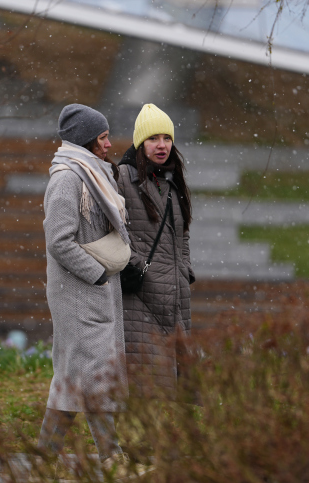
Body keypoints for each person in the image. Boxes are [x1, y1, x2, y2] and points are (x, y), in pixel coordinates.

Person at [38, 103, 132, 473]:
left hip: (91, 293)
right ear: (86, 140)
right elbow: (58, 240)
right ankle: (111, 459)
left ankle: (45, 460)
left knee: (78, 379)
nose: (109, 144)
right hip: (79, 294)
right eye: (103, 137)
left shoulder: (91, 173)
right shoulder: (67, 179)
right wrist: (96, 273)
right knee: (88, 378)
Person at [116, 103, 195, 402]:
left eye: (167, 138)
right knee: (148, 388)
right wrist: (136, 265)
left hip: (175, 298)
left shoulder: (171, 181)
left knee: (176, 389)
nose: (162, 145)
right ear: (140, 142)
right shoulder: (122, 178)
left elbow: (182, 233)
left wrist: (184, 268)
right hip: (140, 299)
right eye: (153, 138)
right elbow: (108, 230)